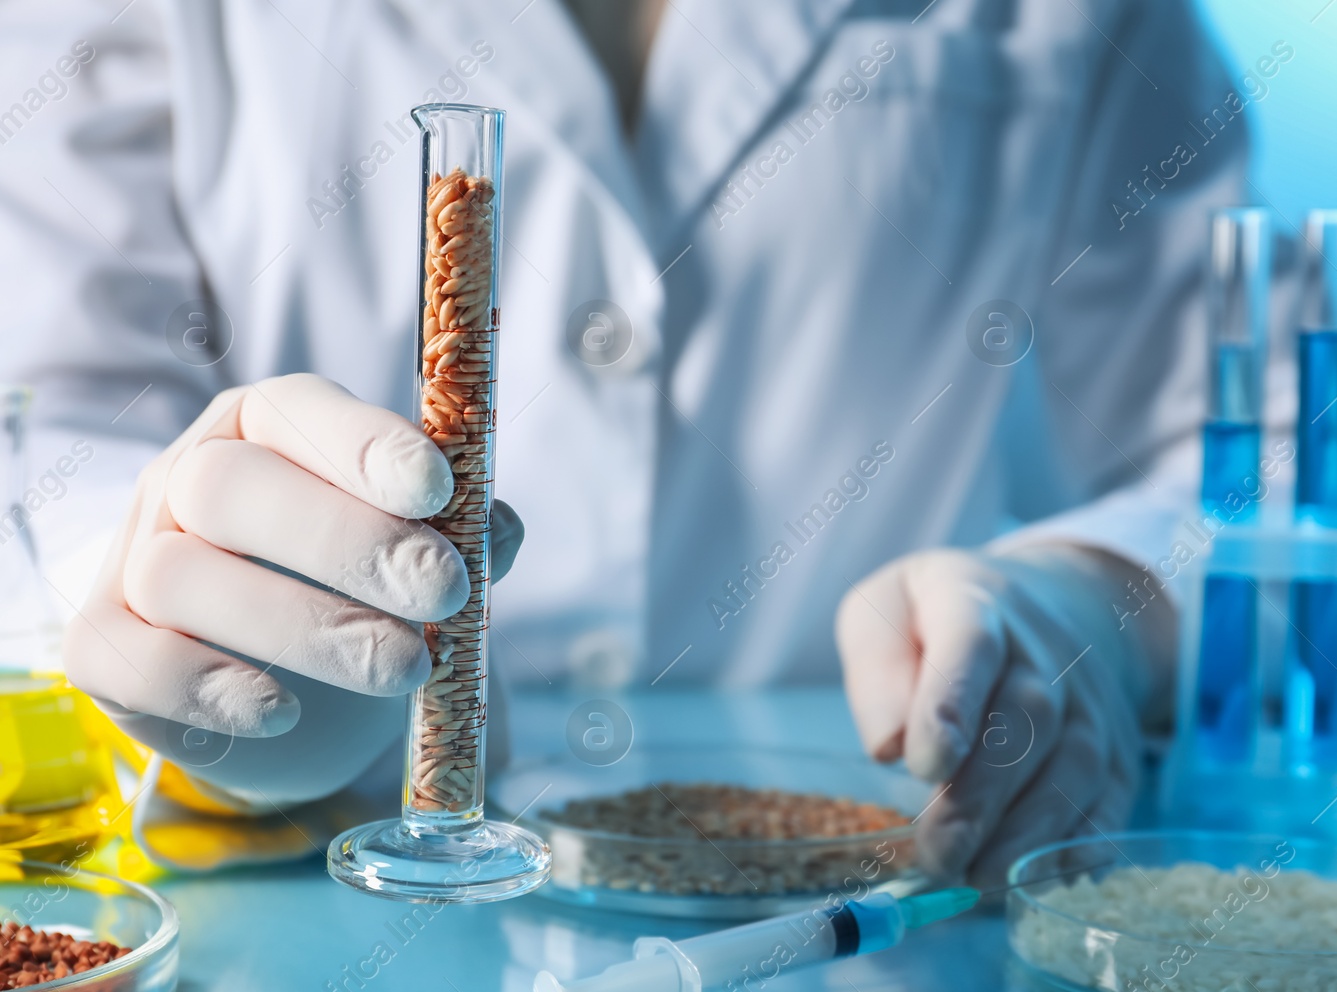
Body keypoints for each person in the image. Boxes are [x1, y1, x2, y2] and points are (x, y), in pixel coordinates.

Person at [0, 0, 1245, 882]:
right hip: (303, 906)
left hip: (858, 861)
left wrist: (1096, 595)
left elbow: (1271, 459)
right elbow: (52, 413)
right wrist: (183, 601)